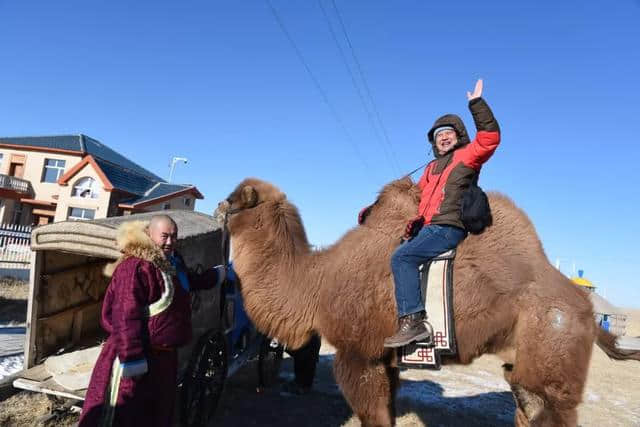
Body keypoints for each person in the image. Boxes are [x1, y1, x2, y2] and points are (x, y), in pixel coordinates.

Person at [383, 79, 501, 348]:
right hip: (428, 228)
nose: (443, 137)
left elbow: (490, 138)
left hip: (448, 226)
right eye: (438, 135)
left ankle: (413, 322)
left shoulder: (467, 156)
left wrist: (477, 104)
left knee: (402, 258)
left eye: (448, 132)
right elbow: (414, 200)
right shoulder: (430, 169)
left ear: (458, 135)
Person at [78, 215, 225, 427]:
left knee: (156, 414)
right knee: (127, 416)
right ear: (150, 234)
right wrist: (132, 359)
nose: (169, 241)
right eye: (164, 236)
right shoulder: (136, 267)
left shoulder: (172, 262)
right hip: (139, 359)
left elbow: (187, 282)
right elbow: (125, 315)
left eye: (174, 236)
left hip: (164, 360)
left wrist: (215, 276)